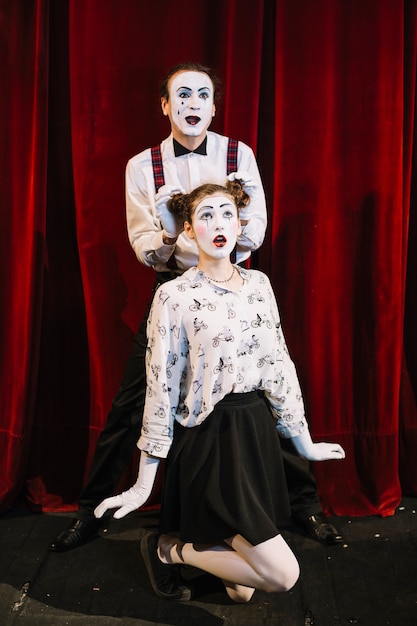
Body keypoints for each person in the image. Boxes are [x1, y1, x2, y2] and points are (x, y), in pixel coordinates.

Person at [50, 63, 344, 565]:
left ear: (213, 106)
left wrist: (212, 239)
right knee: (134, 398)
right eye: (181, 94)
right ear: (165, 105)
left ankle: (305, 505)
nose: (192, 103)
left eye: (202, 95)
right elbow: (145, 248)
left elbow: (253, 233)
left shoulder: (238, 154)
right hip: (175, 291)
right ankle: (91, 511)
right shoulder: (142, 166)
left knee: (267, 381)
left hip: (234, 288)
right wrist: (170, 234)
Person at [94, 181, 346, 604]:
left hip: (255, 433)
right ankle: (167, 549)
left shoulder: (260, 285)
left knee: (242, 593)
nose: (218, 224)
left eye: (227, 213)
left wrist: (304, 442)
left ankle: (187, 546)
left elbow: (279, 366)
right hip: (209, 440)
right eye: (206, 215)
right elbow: (160, 387)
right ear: (189, 229)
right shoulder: (174, 296)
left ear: (239, 223)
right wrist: (142, 483)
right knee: (281, 576)